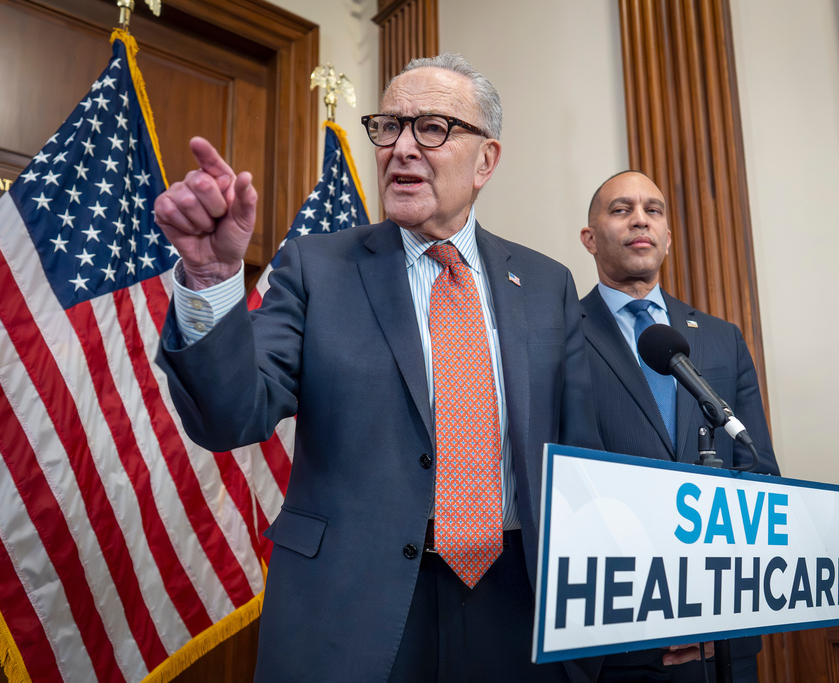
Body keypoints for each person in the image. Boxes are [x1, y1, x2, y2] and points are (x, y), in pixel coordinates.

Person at [152, 54, 603, 682]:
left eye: (433, 129)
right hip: (354, 604)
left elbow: (584, 457)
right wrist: (209, 279)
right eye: (389, 127)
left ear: (486, 160)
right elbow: (232, 415)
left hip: (516, 600)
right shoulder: (316, 268)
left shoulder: (547, 283)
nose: (401, 149)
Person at [578, 170, 781, 682]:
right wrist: (651, 613)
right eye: (620, 209)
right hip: (613, 647)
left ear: (668, 238)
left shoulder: (720, 339)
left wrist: (715, 616)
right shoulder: (559, 336)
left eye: (654, 210)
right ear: (590, 238)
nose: (640, 219)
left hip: (720, 648)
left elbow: (758, 476)